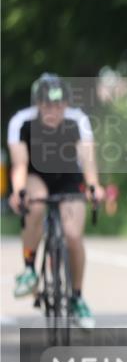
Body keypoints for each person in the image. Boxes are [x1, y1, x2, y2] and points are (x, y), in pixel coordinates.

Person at [6, 74, 104, 329]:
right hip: (36, 175)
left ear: (66, 104)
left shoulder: (77, 120)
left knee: (73, 235)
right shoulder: (21, 121)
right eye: (47, 105)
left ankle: (77, 297)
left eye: (59, 105)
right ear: (37, 104)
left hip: (68, 177)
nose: (54, 110)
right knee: (35, 204)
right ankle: (29, 268)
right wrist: (18, 191)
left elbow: (88, 159)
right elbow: (19, 165)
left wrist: (94, 186)